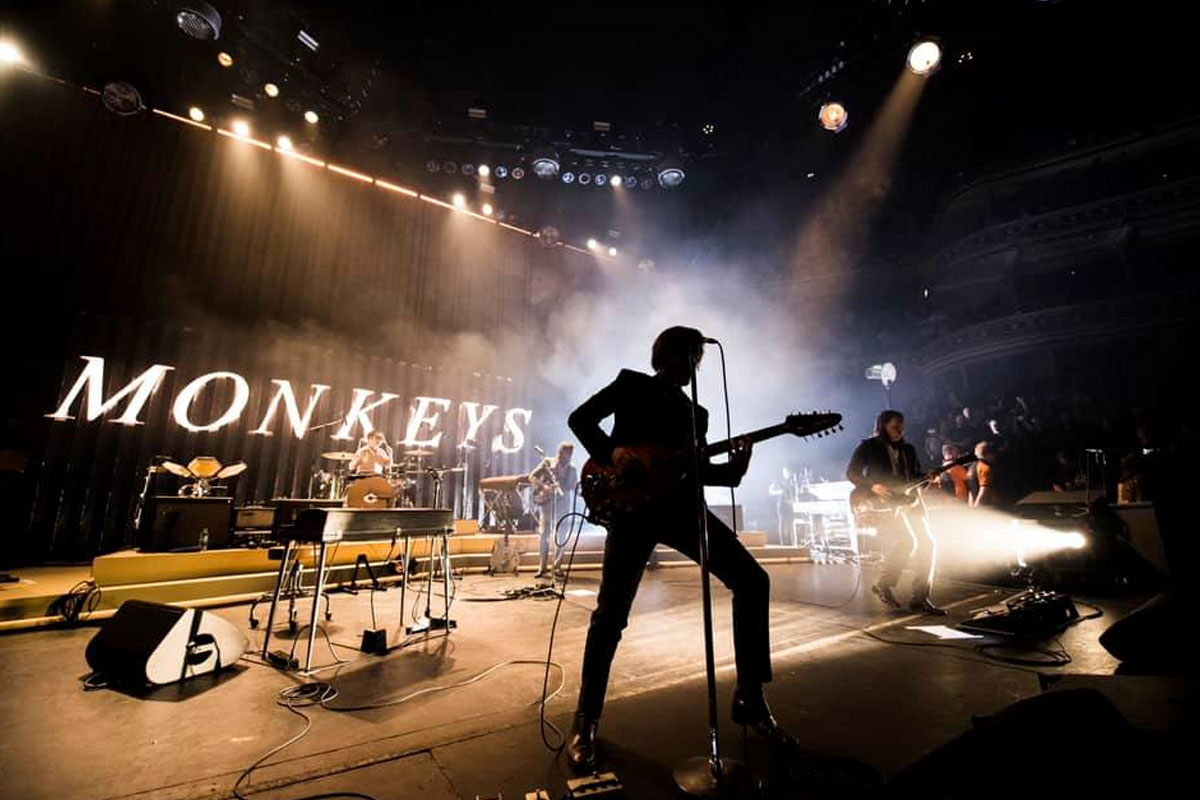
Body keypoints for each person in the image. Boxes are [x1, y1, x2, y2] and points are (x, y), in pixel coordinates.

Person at [563, 326, 787, 771]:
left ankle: (750, 695)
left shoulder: (696, 414)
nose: (694, 366)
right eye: (690, 356)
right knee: (610, 615)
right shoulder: (631, 384)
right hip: (630, 510)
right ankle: (585, 720)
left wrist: (735, 470)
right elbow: (580, 419)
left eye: (698, 359)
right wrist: (613, 452)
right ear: (668, 355)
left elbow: (696, 472)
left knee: (752, 580)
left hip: (683, 510)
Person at [846, 410, 945, 615]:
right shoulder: (868, 447)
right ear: (883, 426)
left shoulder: (908, 449)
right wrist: (874, 486)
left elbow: (914, 477)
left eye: (901, 425)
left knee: (928, 544)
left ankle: (920, 598)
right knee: (907, 541)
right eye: (894, 426)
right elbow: (852, 473)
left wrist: (929, 479)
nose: (899, 430)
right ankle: (885, 584)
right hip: (886, 503)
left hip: (911, 500)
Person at [529, 442, 578, 579]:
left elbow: (574, 487)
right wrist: (544, 486)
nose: (566, 458)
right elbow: (532, 476)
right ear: (559, 452)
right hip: (547, 502)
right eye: (564, 454)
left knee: (561, 535)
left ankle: (557, 567)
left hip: (563, 503)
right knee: (544, 533)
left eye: (569, 455)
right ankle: (542, 566)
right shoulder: (547, 462)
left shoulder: (572, 469)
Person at [971, 441, 998, 507]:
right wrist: (976, 507)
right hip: (985, 505)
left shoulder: (974, 465)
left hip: (975, 501)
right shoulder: (985, 467)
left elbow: (971, 489)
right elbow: (984, 489)